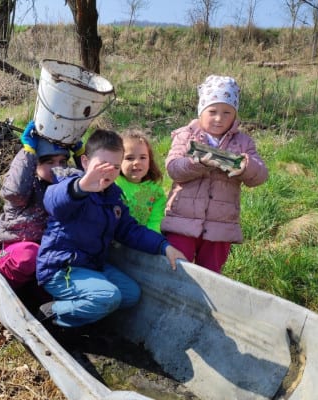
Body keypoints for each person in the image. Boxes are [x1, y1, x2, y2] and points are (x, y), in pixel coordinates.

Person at [35, 129, 186, 329]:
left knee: (131, 295)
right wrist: (82, 186)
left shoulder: (113, 196)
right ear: (86, 162)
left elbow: (130, 230)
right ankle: (51, 313)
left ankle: (82, 309)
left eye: (115, 166)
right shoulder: (71, 185)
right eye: (101, 166)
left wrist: (163, 245)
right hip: (61, 268)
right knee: (108, 296)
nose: (108, 172)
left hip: (92, 265)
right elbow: (54, 201)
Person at [162, 75, 268, 274]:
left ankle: (204, 306)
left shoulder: (243, 143)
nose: (219, 118)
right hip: (182, 221)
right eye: (212, 111)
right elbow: (173, 168)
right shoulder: (186, 135)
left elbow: (261, 175)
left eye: (227, 112)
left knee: (211, 275)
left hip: (221, 227)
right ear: (201, 111)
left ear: (235, 115)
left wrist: (245, 166)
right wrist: (198, 163)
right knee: (175, 269)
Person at [0, 121, 84, 289]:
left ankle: (37, 299)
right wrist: (28, 152)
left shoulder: (63, 188)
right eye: (49, 162)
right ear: (35, 163)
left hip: (47, 257)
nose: (57, 168)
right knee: (29, 255)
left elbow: (91, 187)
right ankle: (7, 288)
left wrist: (81, 155)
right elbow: (13, 191)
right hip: (13, 251)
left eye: (62, 162)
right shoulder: (28, 185)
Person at [115, 128, 166, 233]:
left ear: (150, 161)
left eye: (143, 157)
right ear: (117, 160)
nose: (137, 162)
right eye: (129, 158)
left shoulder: (156, 192)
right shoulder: (113, 183)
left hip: (143, 240)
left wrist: (150, 241)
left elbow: (155, 222)